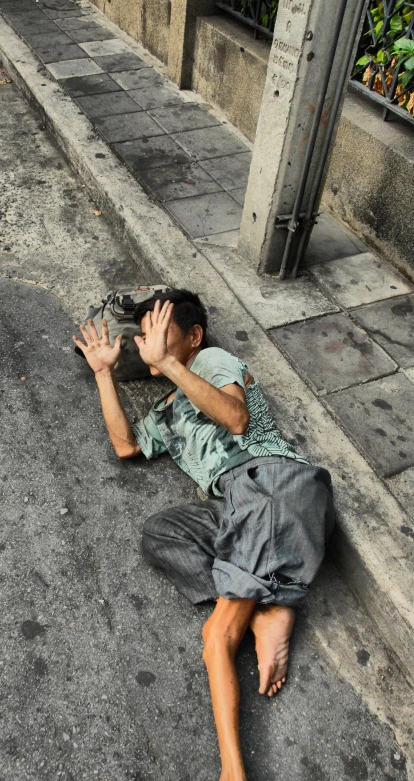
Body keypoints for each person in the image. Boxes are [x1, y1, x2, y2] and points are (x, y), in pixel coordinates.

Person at [72, 289, 335, 781]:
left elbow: (236, 418)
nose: (146, 341)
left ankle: (232, 772)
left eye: (158, 330)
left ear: (192, 336)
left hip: (270, 481)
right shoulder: (170, 407)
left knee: (217, 634)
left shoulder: (212, 360)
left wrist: (171, 364)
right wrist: (104, 373)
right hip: (238, 502)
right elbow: (126, 446)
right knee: (160, 533)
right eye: (143, 333)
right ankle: (265, 611)